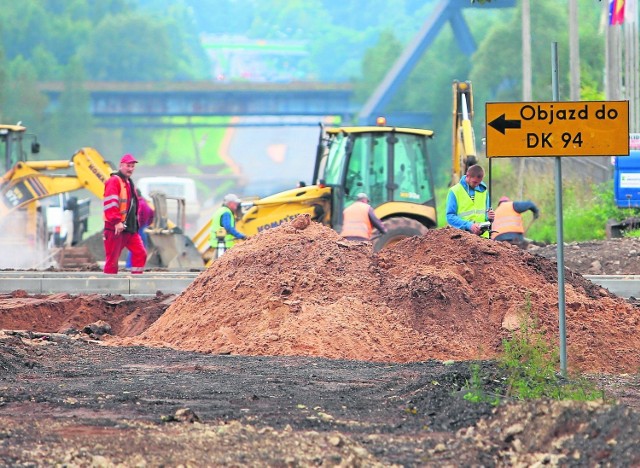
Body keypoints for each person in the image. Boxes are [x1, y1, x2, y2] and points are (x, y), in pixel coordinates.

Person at [103, 154, 147, 274]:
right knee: (112, 260)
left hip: (129, 229)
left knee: (140, 253)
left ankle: (136, 281)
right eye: (128, 166)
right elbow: (110, 204)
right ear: (121, 166)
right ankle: (109, 289)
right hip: (115, 229)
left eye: (132, 166)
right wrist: (116, 222)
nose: (130, 169)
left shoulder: (128, 182)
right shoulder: (114, 181)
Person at [446, 164, 495, 238]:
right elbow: (450, 217)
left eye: (479, 182)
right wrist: (468, 225)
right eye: (475, 182)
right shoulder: (454, 191)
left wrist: (489, 217)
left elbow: (485, 215)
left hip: (483, 239)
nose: (477, 185)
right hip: (462, 239)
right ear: (467, 176)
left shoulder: (484, 192)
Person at [125, 189, 154, 270]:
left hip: (138, 229)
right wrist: (148, 223)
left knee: (134, 248)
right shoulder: (144, 203)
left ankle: (130, 266)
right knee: (141, 248)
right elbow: (152, 213)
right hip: (143, 228)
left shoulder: (138, 204)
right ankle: (138, 266)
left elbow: (138, 217)